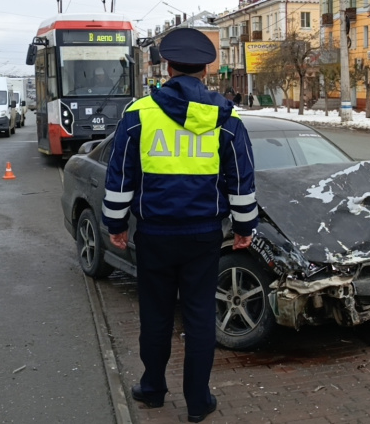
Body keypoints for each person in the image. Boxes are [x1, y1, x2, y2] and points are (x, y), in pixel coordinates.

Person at [102, 28, 257, 422]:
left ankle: (153, 389)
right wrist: (244, 227)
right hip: (204, 236)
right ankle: (198, 402)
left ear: (167, 68)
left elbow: (120, 177)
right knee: (200, 316)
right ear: (205, 71)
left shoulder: (139, 114)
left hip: (154, 235)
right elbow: (241, 180)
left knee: (155, 314)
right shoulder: (227, 117)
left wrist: (115, 222)